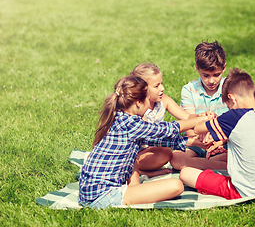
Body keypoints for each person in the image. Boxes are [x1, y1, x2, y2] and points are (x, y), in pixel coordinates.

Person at [79, 76, 207, 209]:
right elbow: (166, 130)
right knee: (176, 185)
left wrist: (195, 142)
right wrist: (198, 120)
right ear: (138, 102)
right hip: (102, 196)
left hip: (91, 192)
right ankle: (135, 192)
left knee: (134, 157)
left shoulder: (121, 118)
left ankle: (136, 189)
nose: (149, 103)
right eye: (147, 99)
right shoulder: (131, 124)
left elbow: (158, 140)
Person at [179, 68, 255, 201]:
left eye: (228, 106)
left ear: (231, 98)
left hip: (244, 191)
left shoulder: (233, 117)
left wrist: (208, 116)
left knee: (185, 173)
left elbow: (198, 129)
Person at [130, 63, 213, 177]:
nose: (162, 88)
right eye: (156, 86)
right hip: (138, 154)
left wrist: (202, 116)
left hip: (157, 147)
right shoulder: (139, 109)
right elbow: (153, 138)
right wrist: (192, 141)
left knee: (171, 154)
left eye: (162, 83)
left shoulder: (163, 100)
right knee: (166, 153)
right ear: (142, 89)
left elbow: (187, 117)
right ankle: (139, 171)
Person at [170, 41, 230, 170]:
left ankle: (206, 164)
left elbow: (235, 123)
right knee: (176, 157)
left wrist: (219, 140)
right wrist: (203, 140)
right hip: (196, 142)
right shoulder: (189, 90)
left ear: (224, 68)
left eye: (216, 75)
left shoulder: (230, 87)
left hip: (224, 142)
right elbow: (188, 126)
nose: (211, 81)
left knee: (237, 154)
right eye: (206, 75)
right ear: (198, 68)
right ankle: (213, 164)